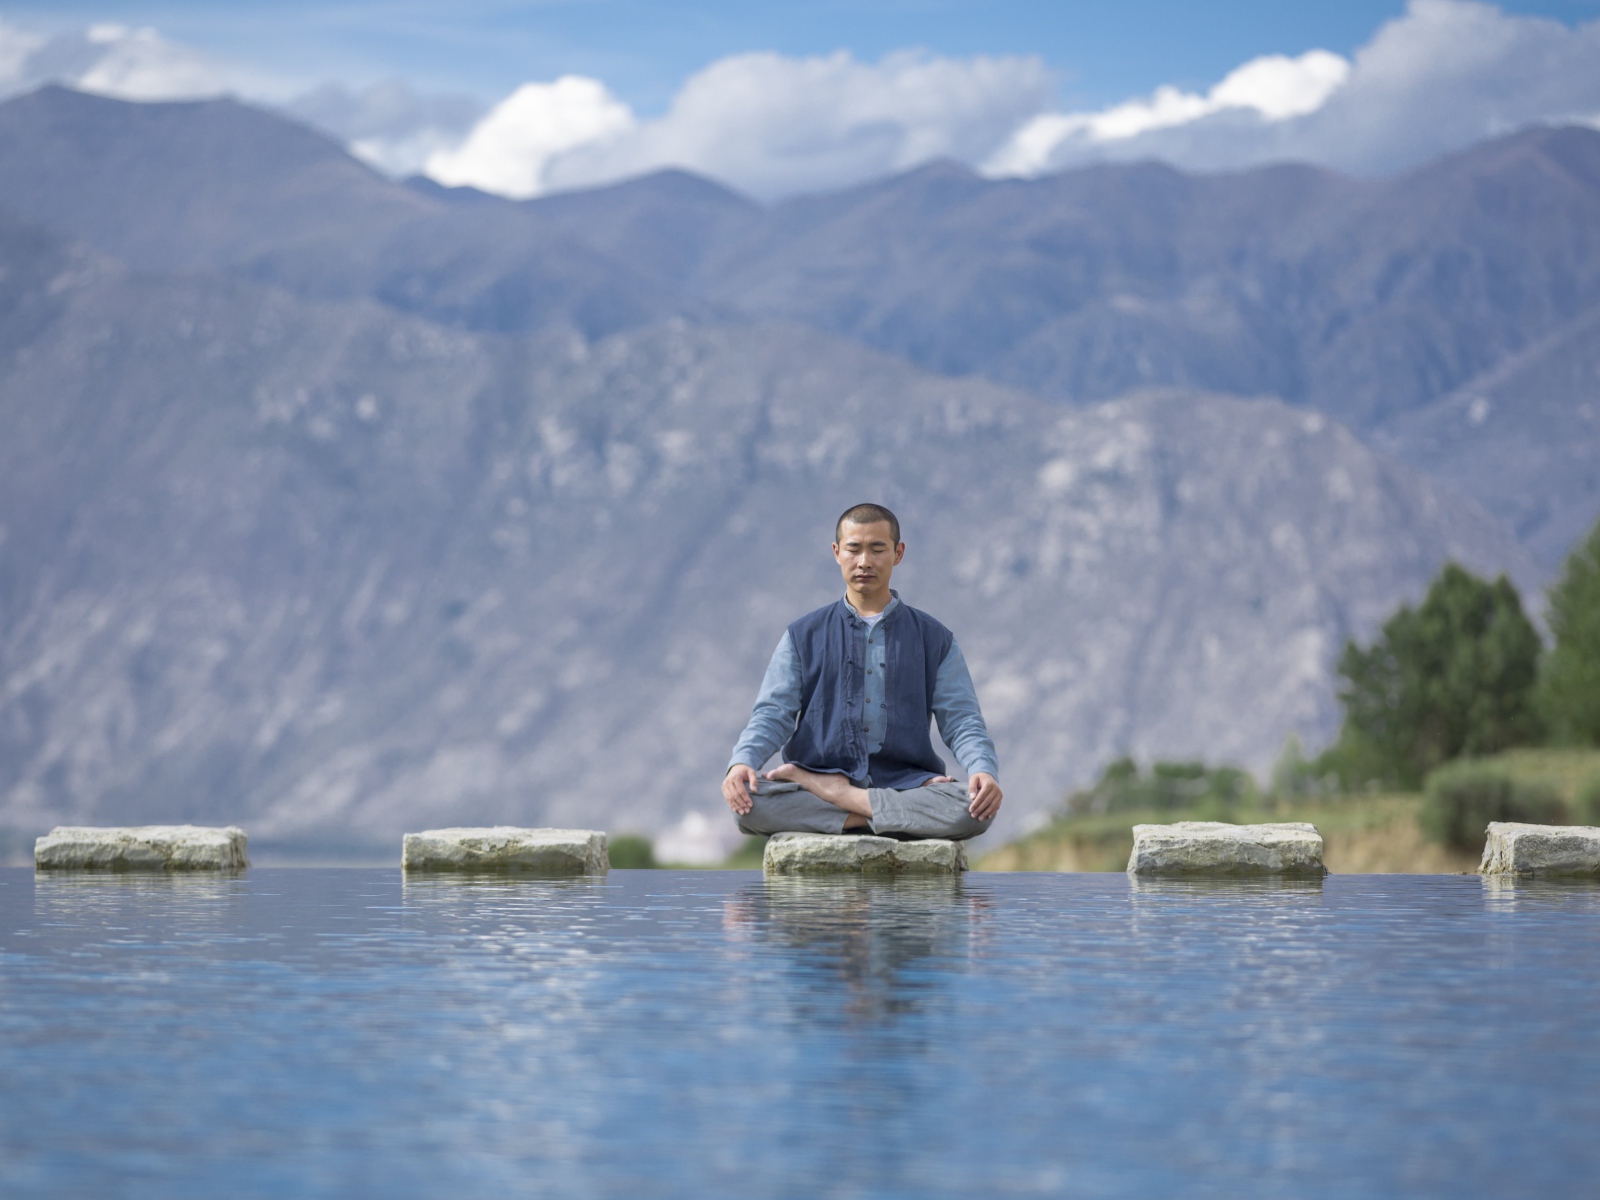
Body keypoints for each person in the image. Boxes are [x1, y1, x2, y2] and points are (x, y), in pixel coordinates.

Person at [722, 503, 1002, 840]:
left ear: (898, 553)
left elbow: (962, 720)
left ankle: (842, 799)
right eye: (854, 549)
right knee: (748, 806)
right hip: (822, 774)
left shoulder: (934, 638)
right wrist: (742, 762)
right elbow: (773, 713)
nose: (864, 561)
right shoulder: (802, 634)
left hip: (905, 782)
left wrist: (983, 770)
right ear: (837, 553)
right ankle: (880, 813)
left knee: (973, 810)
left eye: (877, 549)